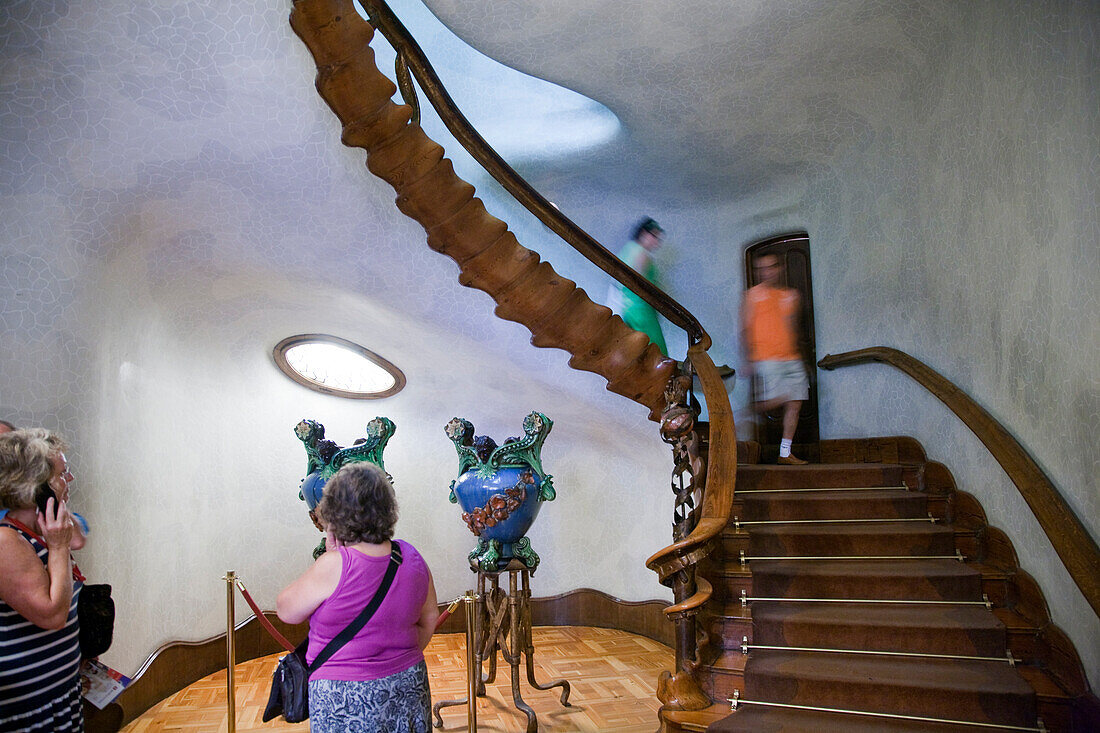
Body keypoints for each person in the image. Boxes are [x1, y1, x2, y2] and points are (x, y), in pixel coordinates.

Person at [277, 462, 438, 732]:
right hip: (409, 682)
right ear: (387, 508)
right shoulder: (411, 556)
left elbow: (286, 611)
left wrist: (331, 554)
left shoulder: (335, 565)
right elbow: (430, 616)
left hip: (344, 693)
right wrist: (396, 657)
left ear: (334, 513)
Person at [0, 429, 87, 733]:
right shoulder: (5, 540)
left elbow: (79, 539)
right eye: (63, 473)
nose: (70, 480)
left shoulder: (40, 528)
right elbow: (51, 614)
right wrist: (58, 546)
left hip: (59, 692)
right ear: (34, 485)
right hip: (29, 708)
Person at [741, 253, 810, 465]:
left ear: (779, 269)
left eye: (771, 267)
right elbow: (745, 328)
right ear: (758, 272)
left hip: (791, 357)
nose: (767, 272)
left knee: (796, 402)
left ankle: (784, 452)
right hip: (766, 357)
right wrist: (749, 358)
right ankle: (743, 414)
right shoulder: (752, 296)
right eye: (762, 268)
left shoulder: (792, 295)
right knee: (775, 400)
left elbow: (792, 328)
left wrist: (801, 357)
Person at [607, 217, 669, 355]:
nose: (656, 242)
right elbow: (642, 285)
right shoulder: (641, 253)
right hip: (642, 310)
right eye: (654, 236)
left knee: (635, 352)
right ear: (643, 233)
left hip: (627, 308)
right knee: (656, 352)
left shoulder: (628, 249)